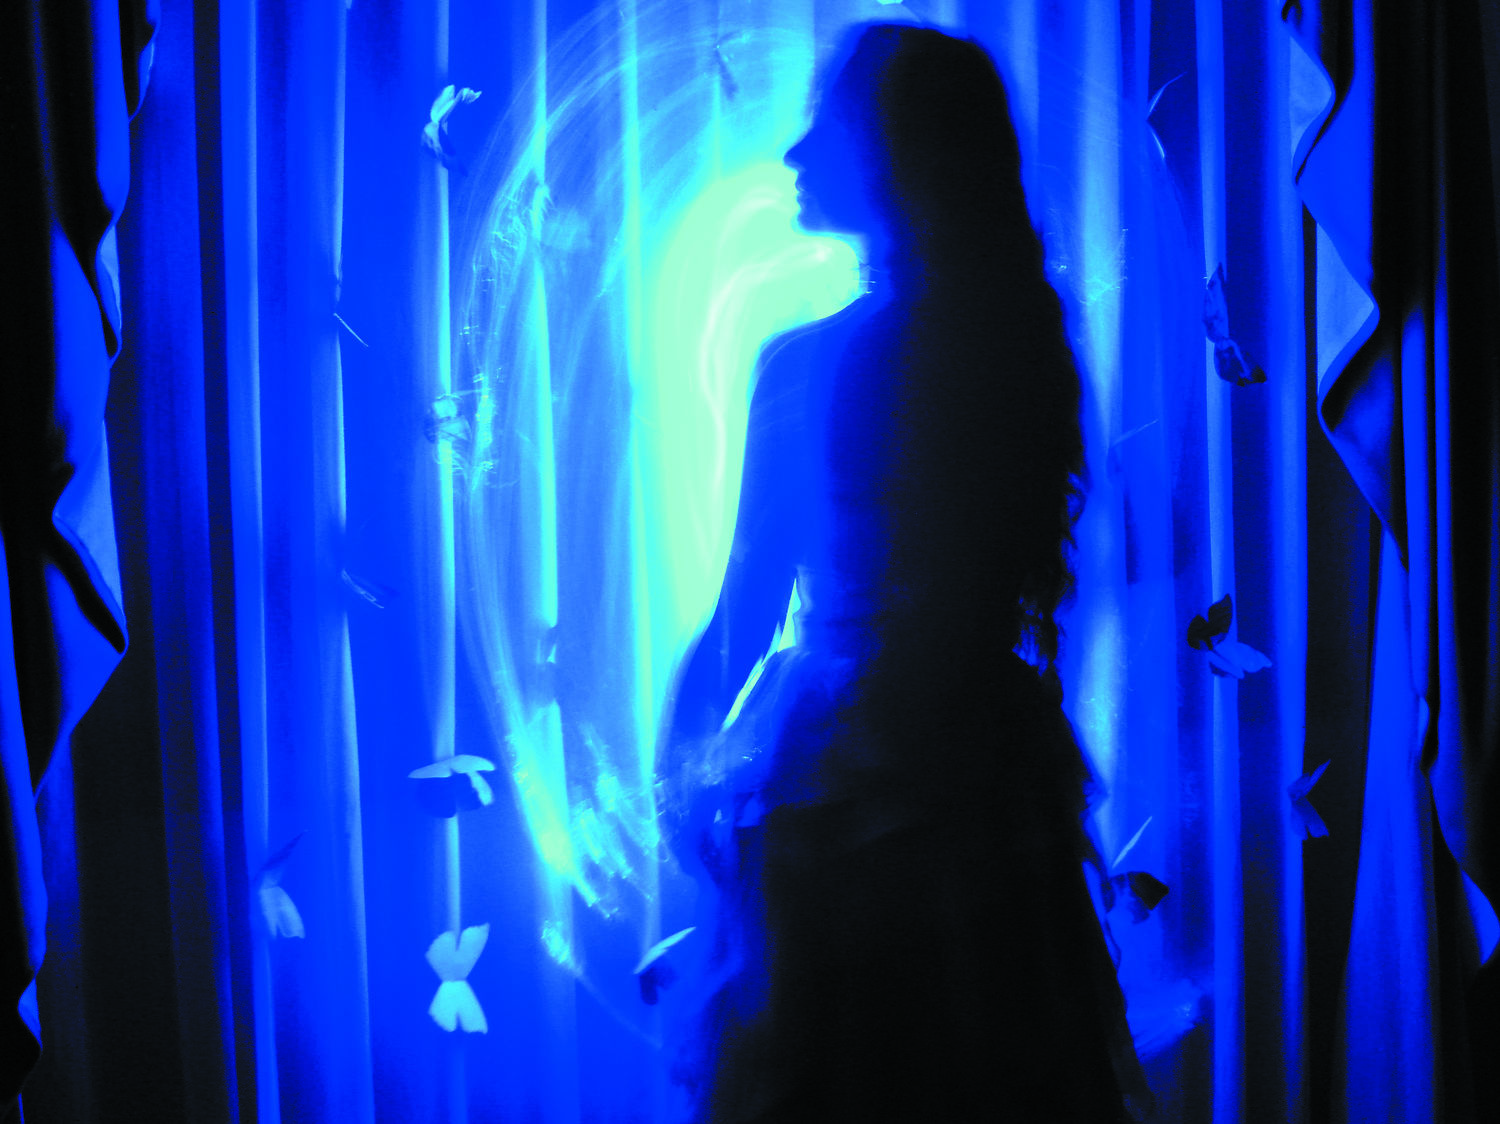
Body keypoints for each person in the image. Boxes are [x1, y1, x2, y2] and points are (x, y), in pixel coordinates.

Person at [658, 23, 1148, 1123]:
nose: (793, 154)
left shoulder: (810, 361)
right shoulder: (1018, 349)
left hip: (844, 797)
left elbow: (746, 611)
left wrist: (679, 765)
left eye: (823, 126)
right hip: (989, 789)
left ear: (894, 149)